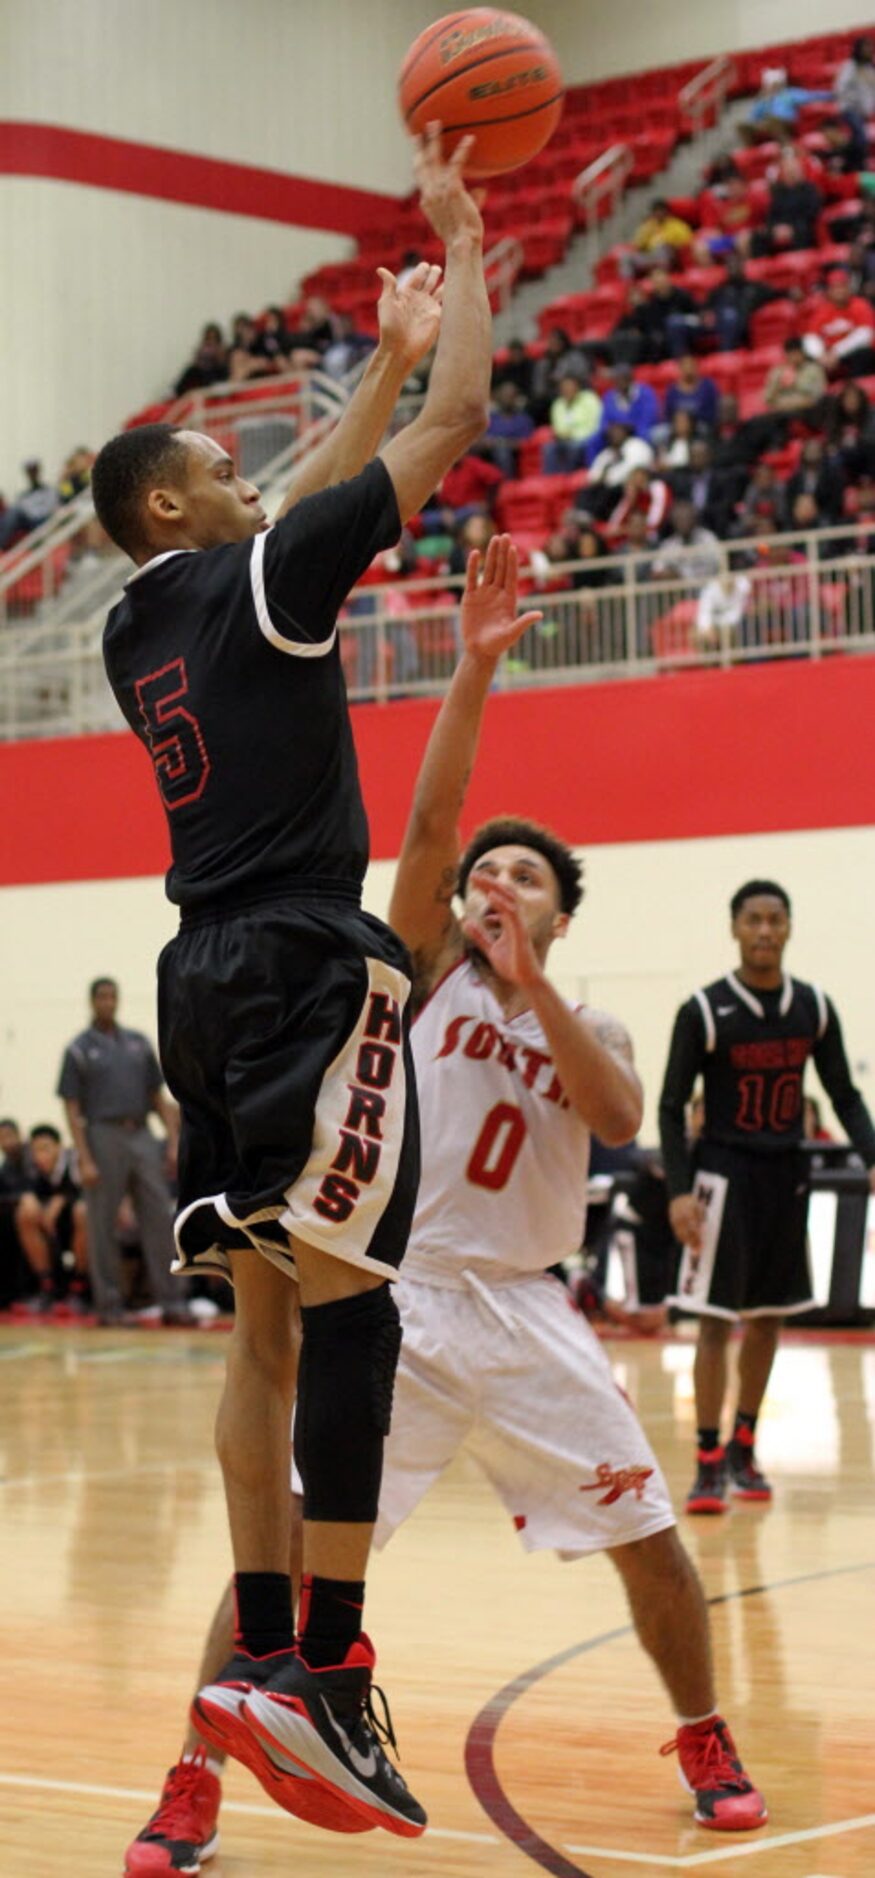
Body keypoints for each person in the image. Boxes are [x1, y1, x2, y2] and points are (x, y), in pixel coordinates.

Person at [124, 540, 766, 1874]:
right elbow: (425, 829)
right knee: (289, 1547)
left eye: (524, 877)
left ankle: (702, 1730)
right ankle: (192, 1774)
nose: (495, 889)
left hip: (529, 1314)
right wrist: (471, 669)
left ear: (562, 914)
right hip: (396, 1304)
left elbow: (616, 1118)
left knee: (650, 1541)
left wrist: (532, 987)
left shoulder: (576, 1016)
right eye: (488, 878)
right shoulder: (408, 982)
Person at [96, 127, 491, 1846]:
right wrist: (464, 257)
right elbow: (450, 437)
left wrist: (376, 354)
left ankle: (259, 1643)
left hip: (199, 969)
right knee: (359, 1302)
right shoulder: (257, 576)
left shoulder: (141, 621)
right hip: (308, 959)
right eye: (225, 465)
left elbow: (280, 510)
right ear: (179, 500)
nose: (261, 472)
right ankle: (322, 1665)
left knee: (264, 1312)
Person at [658, 880, 875, 1515]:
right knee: (714, 1322)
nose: (763, 930)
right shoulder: (703, 1010)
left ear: (787, 928)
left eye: (774, 920)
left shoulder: (814, 1007)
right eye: (752, 919)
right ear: (735, 928)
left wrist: (871, 1152)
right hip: (721, 1177)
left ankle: (744, 1446)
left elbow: (844, 1094)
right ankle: (705, 1457)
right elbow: (670, 1108)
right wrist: (677, 1192)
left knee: (769, 1317)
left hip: (786, 1175)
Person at [57, 977, 184, 1325]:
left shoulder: (139, 1044)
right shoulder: (79, 1049)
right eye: (101, 996)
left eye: (112, 996)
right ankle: (110, 1307)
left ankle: (173, 1303)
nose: (108, 1002)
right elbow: (71, 1107)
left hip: (141, 1133)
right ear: (91, 1001)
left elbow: (158, 1098)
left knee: (159, 1216)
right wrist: (83, 1156)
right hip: (101, 1134)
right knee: (101, 1224)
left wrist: (173, 1141)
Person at [13, 1123, 91, 1316]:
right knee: (25, 1213)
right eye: (35, 1150)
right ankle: (46, 1287)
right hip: (49, 1226)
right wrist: (27, 1196)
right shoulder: (29, 1165)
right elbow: (25, 1189)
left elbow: (90, 1191)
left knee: (83, 1211)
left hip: (79, 1224)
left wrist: (63, 1198)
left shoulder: (76, 1160)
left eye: (45, 1148)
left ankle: (79, 1288)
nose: (40, 1155)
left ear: (59, 1147)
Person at [0, 459, 60, 550]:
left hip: (42, 521)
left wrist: (27, 512)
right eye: (29, 472)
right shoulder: (23, 495)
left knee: (14, 511)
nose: (32, 474)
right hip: (28, 523)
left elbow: (49, 510)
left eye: (34, 471)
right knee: (10, 513)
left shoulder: (50, 490)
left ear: (38, 471)